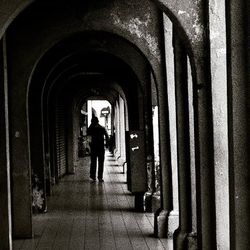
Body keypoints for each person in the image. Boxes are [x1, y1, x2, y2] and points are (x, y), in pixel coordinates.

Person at [87, 116, 109, 182]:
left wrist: (89, 146)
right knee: (101, 163)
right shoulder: (102, 128)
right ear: (98, 121)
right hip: (101, 148)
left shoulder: (90, 129)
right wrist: (107, 145)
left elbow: (88, 139)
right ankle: (100, 177)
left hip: (93, 148)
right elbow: (107, 137)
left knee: (93, 162)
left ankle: (93, 176)